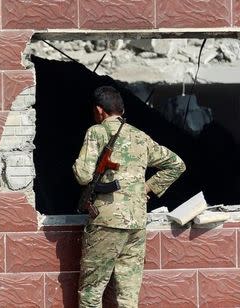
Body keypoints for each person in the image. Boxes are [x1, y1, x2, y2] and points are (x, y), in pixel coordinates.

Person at [73, 86, 186, 308]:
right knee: (128, 296)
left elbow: (83, 175)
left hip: (107, 223)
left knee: (91, 293)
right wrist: (146, 188)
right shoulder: (140, 136)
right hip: (136, 222)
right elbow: (176, 164)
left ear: (99, 111)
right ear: (121, 110)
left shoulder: (96, 132)